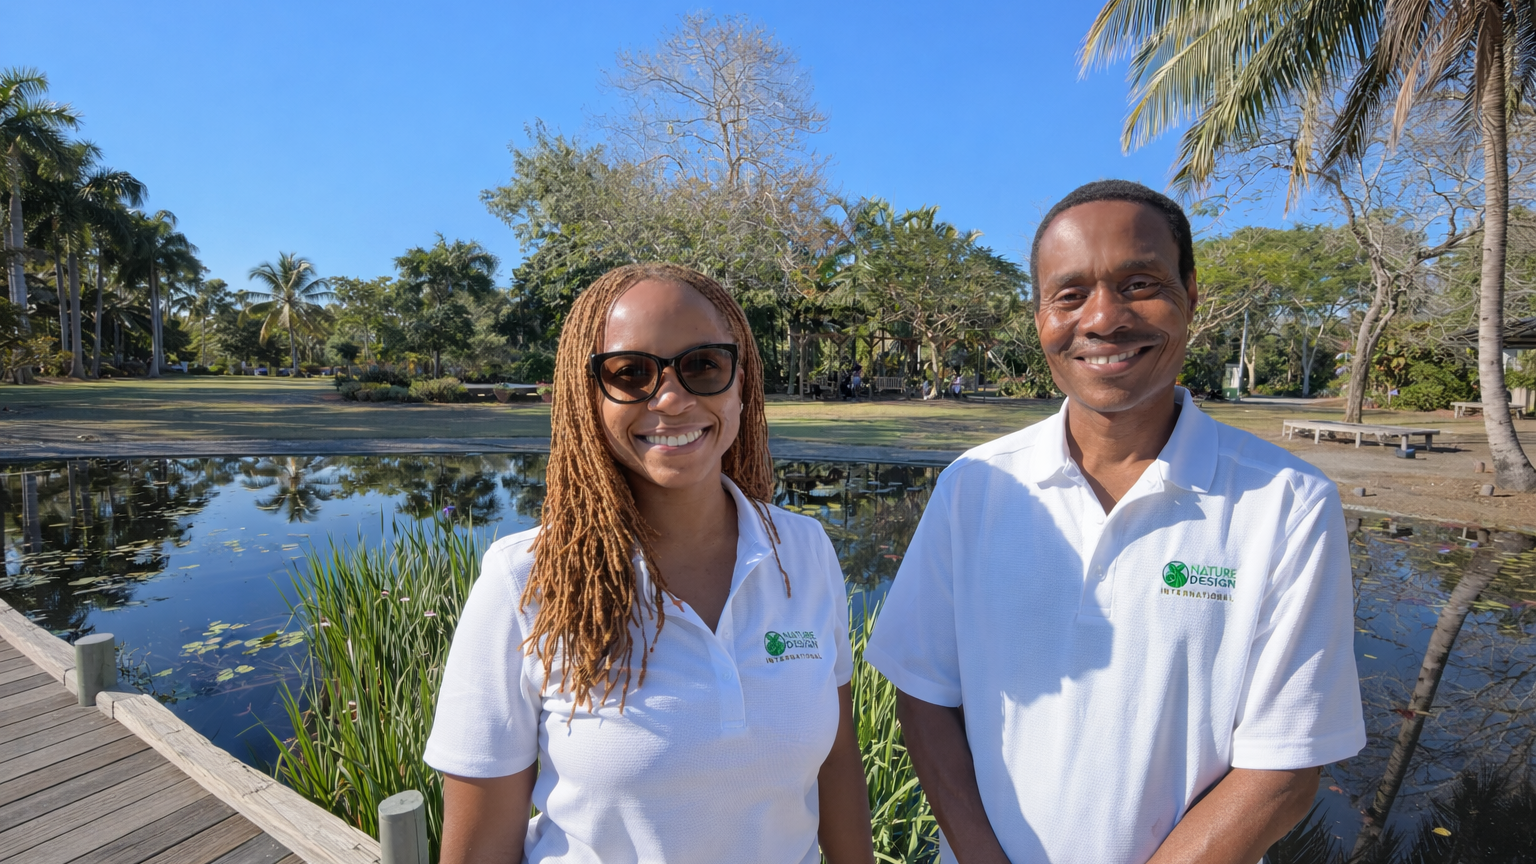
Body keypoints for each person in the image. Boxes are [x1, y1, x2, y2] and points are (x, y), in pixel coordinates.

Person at [865, 180, 1364, 864]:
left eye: (1139, 283)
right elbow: (924, 695)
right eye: (1070, 295)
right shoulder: (974, 488)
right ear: (1038, 315)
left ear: (1191, 293)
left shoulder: (1286, 501)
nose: (1103, 319)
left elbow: (1285, 765)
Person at [425, 263, 875, 864]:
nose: (670, 397)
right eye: (630, 373)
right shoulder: (526, 579)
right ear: (589, 397)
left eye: (704, 365)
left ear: (742, 385)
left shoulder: (806, 553)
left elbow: (837, 762)